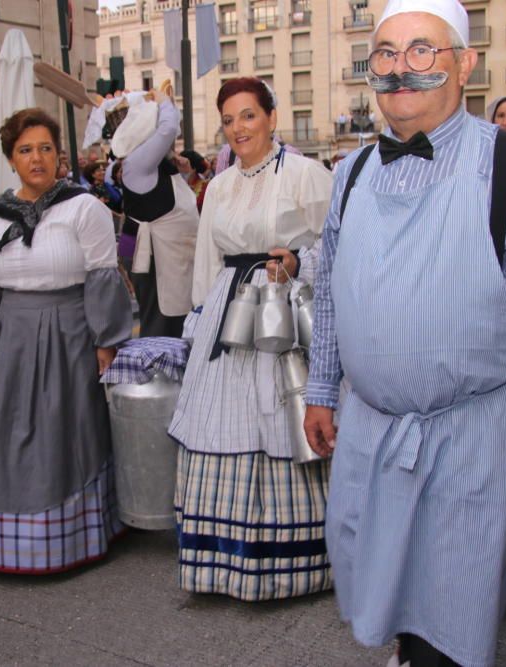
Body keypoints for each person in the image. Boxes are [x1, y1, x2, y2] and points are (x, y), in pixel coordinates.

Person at [302, 3, 506, 665]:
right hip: (372, 431)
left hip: (470, 434)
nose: (399, 70)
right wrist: (323, 387)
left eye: (422, 51)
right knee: (381, 582)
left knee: (452, 600)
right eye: (385, 54)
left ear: (464, 64)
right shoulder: (352, 173)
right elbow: (331, 292)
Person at [167, 77, 334, 601]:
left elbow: (340, 243)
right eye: (229, 119)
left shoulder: (307, 175)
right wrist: (199, 320)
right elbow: (207, 265)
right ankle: (221, 566)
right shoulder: (217, 185)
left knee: (283, 416)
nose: (238, 128)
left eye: (248, 116)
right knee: (222, 422)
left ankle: (298, 565)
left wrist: (298, 261)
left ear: (271, 117)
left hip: (286, 311)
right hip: (229, 310)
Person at [0, 108, 132, 573]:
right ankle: (0, 540)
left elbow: (102, 277)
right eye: (26, 150)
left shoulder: (84, 207)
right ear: (11, 158)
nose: (37, 158)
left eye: (45, 148)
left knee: (64, 431)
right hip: (11, 336)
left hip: (68, 332)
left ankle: (65, 540)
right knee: (4, 432)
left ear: (59, 156)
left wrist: (105, 343)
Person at [113, 84, 198, 338]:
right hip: (151, 257)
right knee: (159, 322)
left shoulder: (152, 162)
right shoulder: (138, 161)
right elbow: (169, 127)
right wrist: (163, 101)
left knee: (168, 319)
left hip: (157, 255)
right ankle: (157, 373)